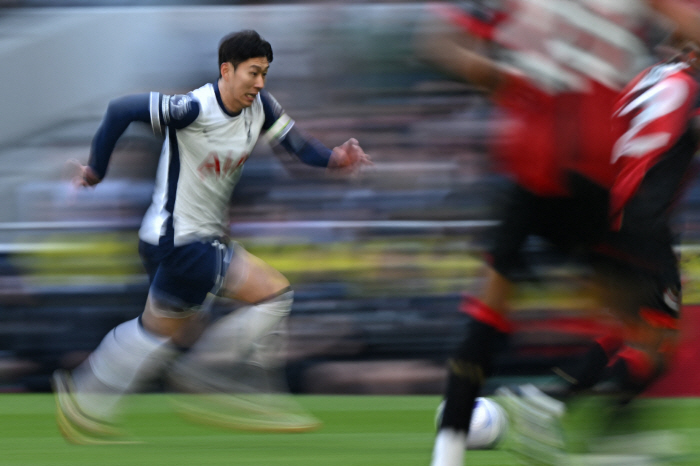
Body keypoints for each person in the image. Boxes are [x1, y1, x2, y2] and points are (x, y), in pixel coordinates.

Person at [51, 29, 371, 444]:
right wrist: (96, 170)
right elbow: (120, 110)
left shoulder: (262, 108)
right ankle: (212, 374)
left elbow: (297, 146)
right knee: (275, 293)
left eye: (264, 74)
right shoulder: (192, 108)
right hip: (180, 241)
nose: (259, 83)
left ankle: (84, 399)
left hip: (180, 241)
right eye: (253, 73)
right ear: (227, 70)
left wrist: (335, 159)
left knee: (159, 331)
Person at [416, 1, 700, 465]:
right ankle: (586, 426)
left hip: (533, 164)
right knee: (651, 334)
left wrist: (514, 83)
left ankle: (461, 444)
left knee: (497, 300)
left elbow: (438, 43)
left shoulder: (649, 77)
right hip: (613, 198)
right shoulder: (683, 80)